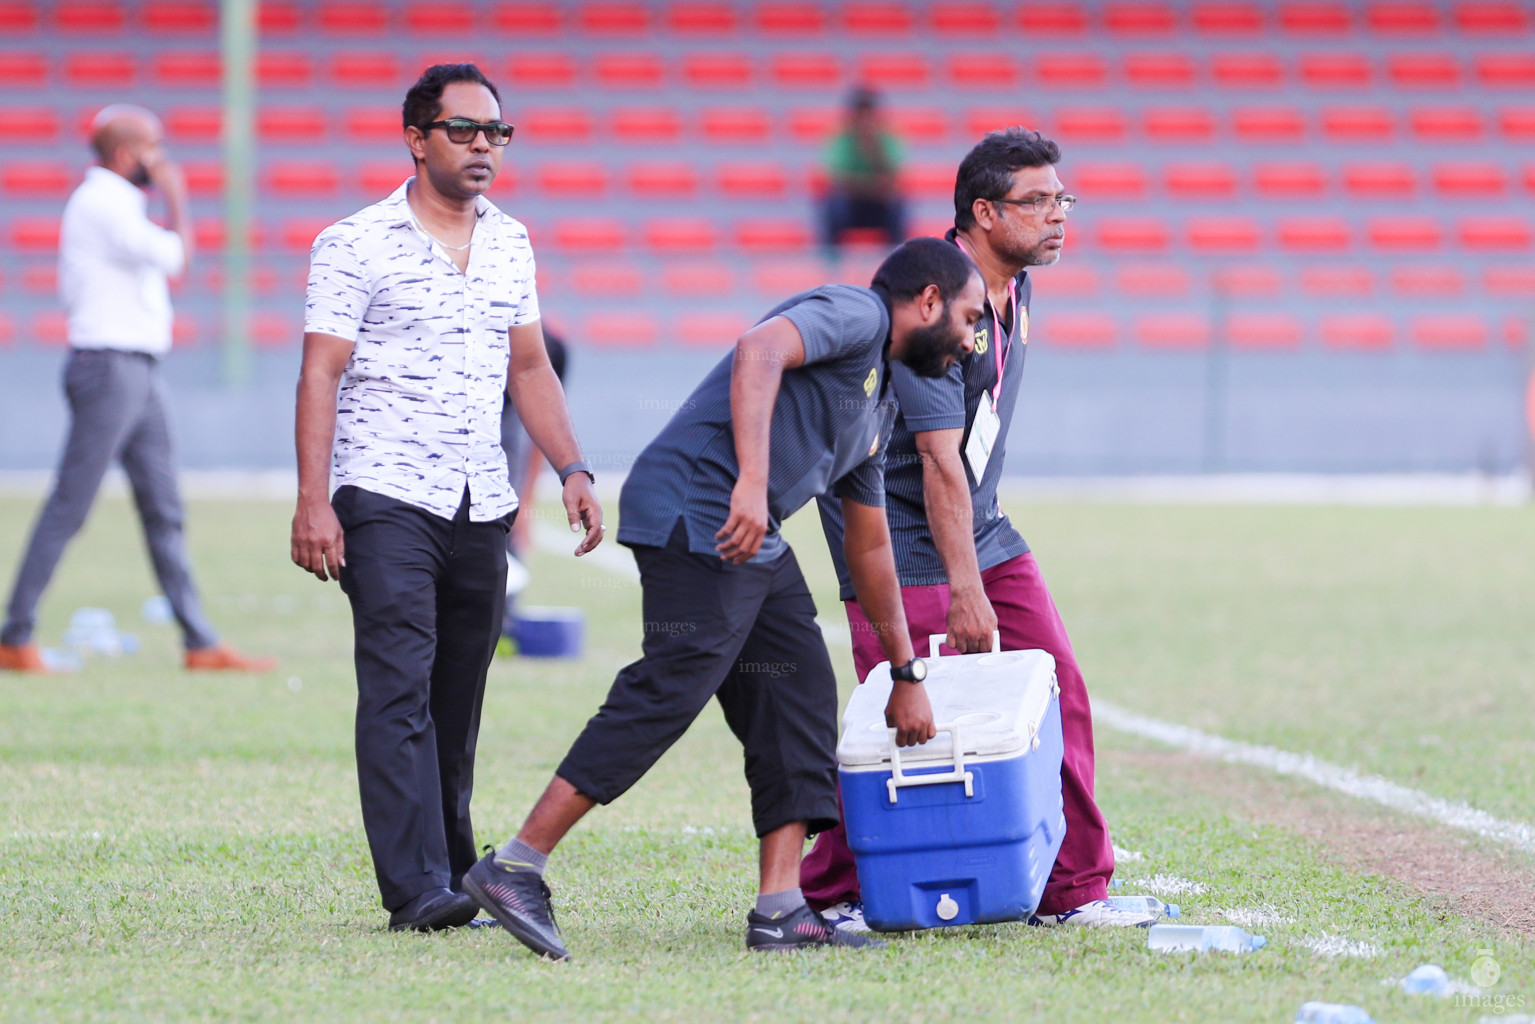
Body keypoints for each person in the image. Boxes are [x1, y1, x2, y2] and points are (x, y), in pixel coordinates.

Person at [464, 238, 986, 961]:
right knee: (675, 679)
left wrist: (904, 674)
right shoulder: (856, 313)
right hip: (697, 508)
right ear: (927, 300)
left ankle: (780, 908)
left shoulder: (879, 403)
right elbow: (758, 349)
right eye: (967, 315)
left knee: (798, 688)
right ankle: (517, 864)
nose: (970, 337)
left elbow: (869, 550)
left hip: (750, 534)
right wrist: (751, 479)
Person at [804, 129, 1155, 931]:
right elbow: (932, 464)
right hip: (895, 531)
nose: (1057, 216)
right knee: (905, 716)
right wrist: (966, 591)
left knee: (1055, 685)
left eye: (1061, 199)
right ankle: (829, 898)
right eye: (1036, 202)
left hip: (978, 523)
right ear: (983, 212)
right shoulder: (933, 295)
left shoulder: (1015, 282)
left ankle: (1073, 891)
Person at [290, 63, 603, 934]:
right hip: (383, 490)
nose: (482, 148)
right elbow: (321, 372)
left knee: (456, 696)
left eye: (495, 133)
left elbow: (530, 365)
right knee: (397, 687)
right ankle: (413, 887)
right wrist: (314, 502)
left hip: (480, 499)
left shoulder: (510, 241)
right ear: (416, 138)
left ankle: (453, 866)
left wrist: (571, 468)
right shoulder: (351, 242)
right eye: (463, 130)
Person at [0, 105, 273, 675]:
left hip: (135, 371)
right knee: (69, 506)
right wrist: (176, 196)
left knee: (164, 509)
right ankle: (14, 633)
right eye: (154, 149)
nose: (161, 159)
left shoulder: (112, 203)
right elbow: (177, 257)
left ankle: (199, 641)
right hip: (110, 369)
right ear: (127, 155)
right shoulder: (104, 202)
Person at [818, 87, 906, 254]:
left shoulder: (886, 139)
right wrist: (874, 185)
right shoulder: (842, 140)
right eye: (861, 116)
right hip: (851, 204)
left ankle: (897, 260)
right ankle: (831, 261)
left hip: (880, 205)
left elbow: (893, 178)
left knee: (898, 206)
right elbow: (839, 180)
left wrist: (873, 149)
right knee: (831, 207)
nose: (865, 122)